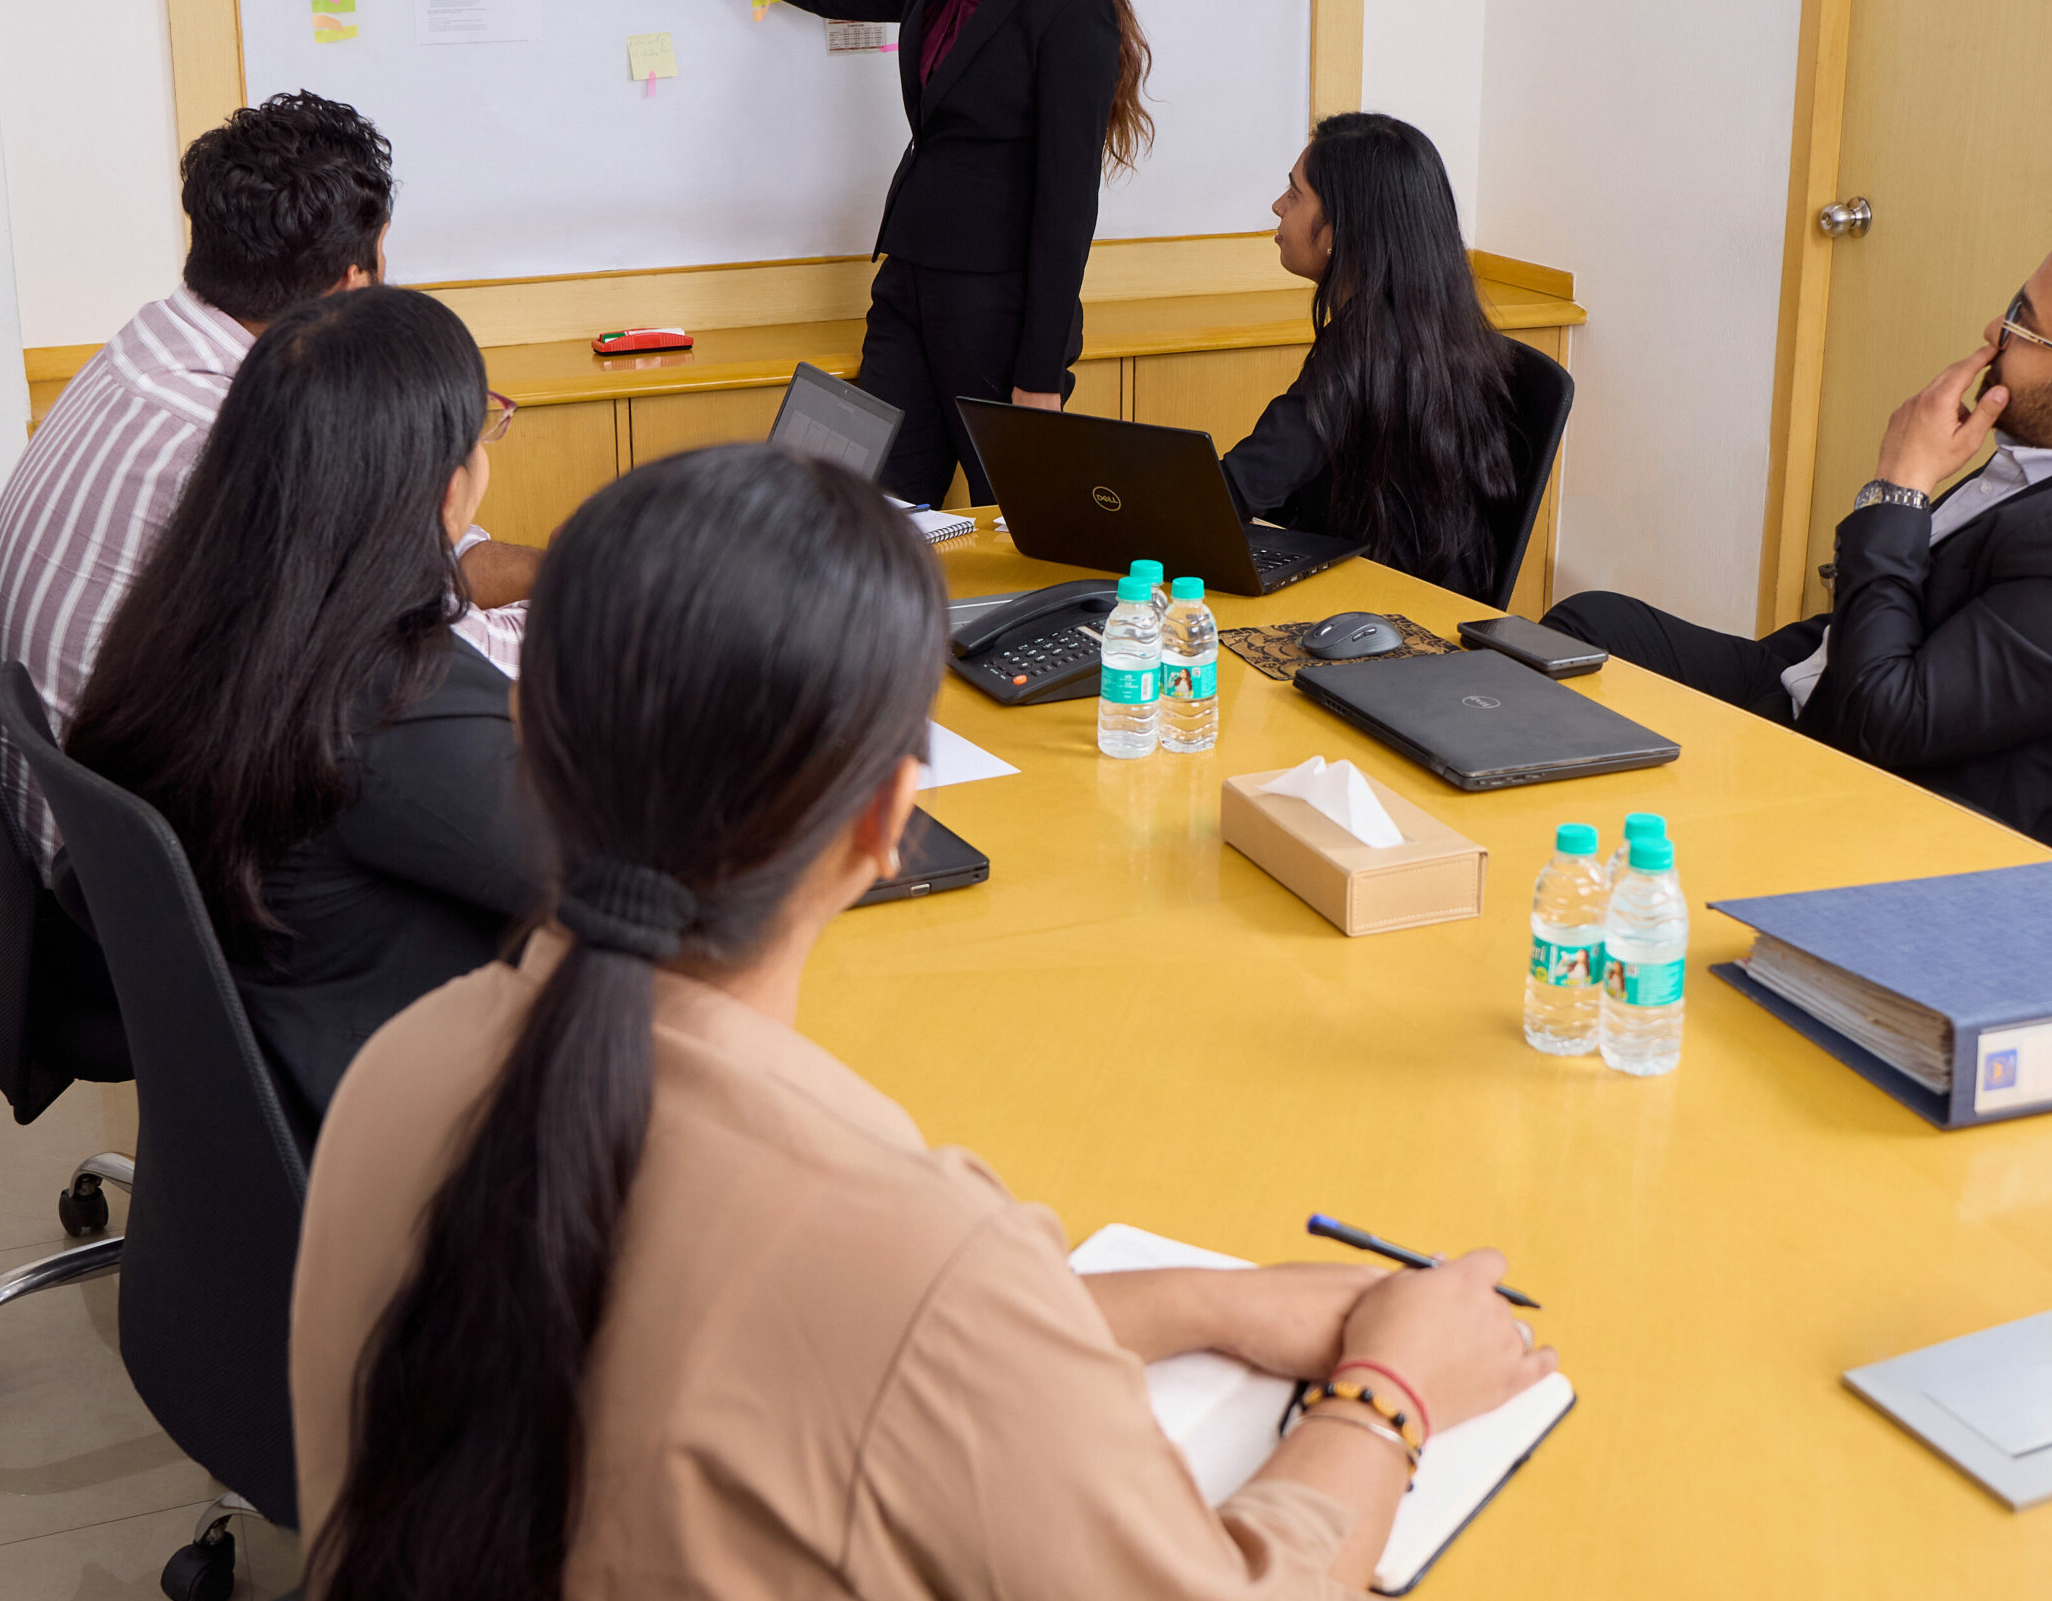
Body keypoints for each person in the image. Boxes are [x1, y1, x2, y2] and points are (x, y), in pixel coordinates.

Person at [291, 445, 1556, 1599]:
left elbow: (799, 1357)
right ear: (887, 821)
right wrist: (1387, 1397)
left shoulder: (404, 1066)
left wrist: (1188, 1303)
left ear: (526, 731)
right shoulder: (904, 1249)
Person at [1546, 180, 2052, 852]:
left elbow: (1879, 722)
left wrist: (1899, 486)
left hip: (1859, 792)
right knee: (1583, 633)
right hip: (1814, 678)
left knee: (1570, 722)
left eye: (2022, 324)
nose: (1993, 332)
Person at [0, 92, 537, 875]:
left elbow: (402, 572)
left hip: (111, 859)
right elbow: (439, 677)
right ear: (349, 289)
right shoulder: (240, 443)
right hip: (168, 892)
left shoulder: (151, 350)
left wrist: (559, 568)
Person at [65, 287, 542, 1129]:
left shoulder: (184, 615)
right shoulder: (386, 696)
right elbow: (628, 871)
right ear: (445, 494)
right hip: (400, 1143)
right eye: (486, 428)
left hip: (265, 1105)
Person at [622, 0, 1152, 506]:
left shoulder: (1068, 8)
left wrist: (1037, 378)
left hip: (998, 317)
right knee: (863, 512)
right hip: (908, 286)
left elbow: (1067, 214)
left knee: (1023, 533)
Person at [1221, 115, 1524, 600]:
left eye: (1294, 194)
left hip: (1381, 615)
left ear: (1341, 229)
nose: (1278, 206)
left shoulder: (1363, 347)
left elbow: (1238, 488)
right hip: (1431, 597)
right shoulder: (1438, 327)